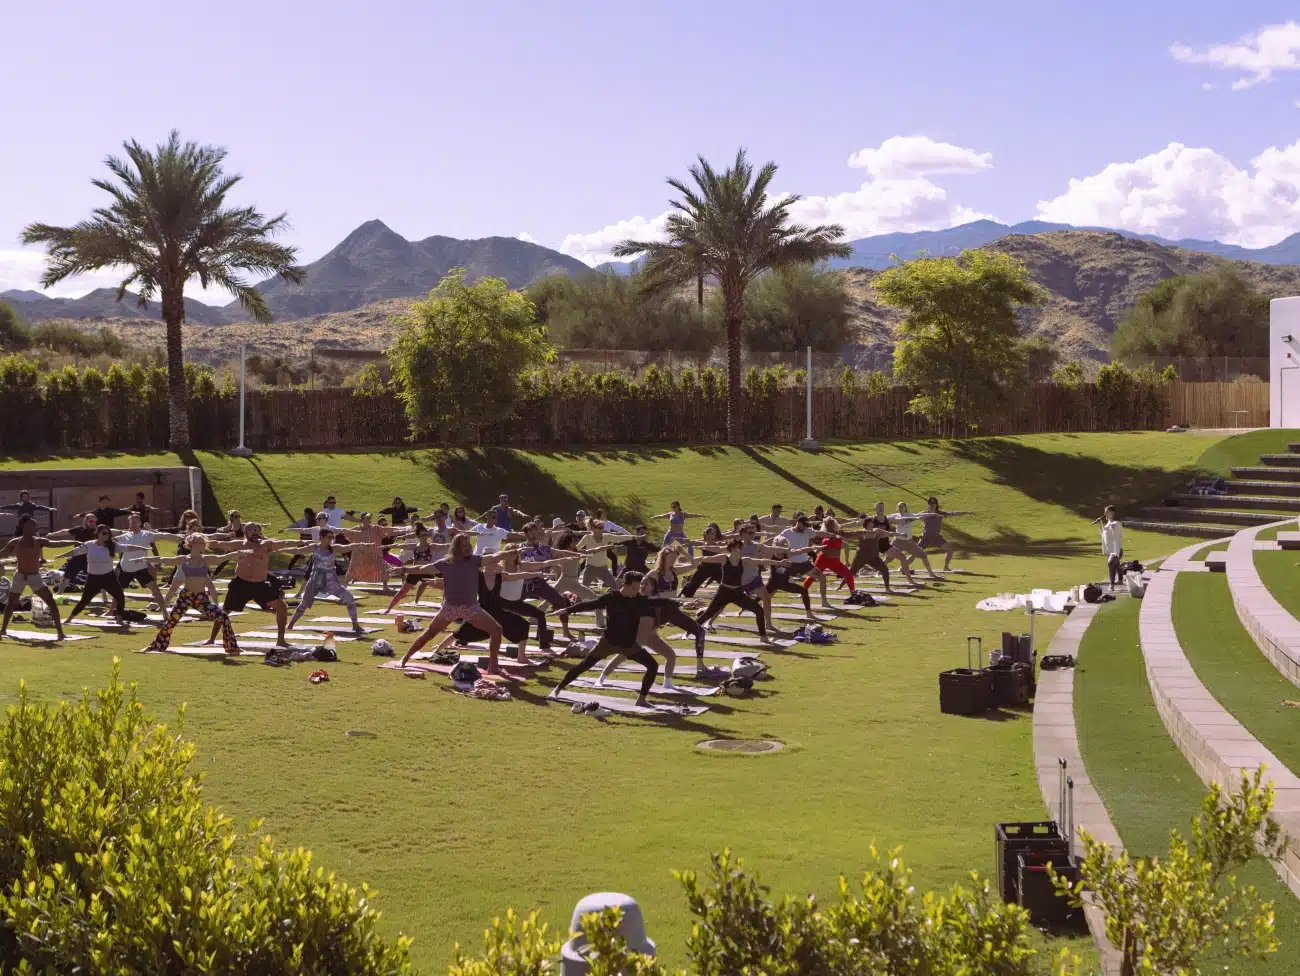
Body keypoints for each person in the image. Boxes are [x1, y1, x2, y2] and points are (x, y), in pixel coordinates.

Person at [550, 571, 681, 708]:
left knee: (652, 666)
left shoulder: (639, 599)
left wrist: (677, 603)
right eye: (634, 588)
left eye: (638, 589)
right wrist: (567, 610)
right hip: (607, 643)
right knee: (584, 666)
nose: (638, 592)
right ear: (625, 585)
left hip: (629, 645)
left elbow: (659, 601)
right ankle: (558, 689)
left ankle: (641, 699)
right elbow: (589, 604)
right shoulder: (611, 597)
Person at [398, 535, 521, 675]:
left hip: (470, 608)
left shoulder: (475, 560)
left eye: (469, 544)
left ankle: (493, 667)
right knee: (429, 634)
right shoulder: (445, 563)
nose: (468, 547)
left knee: (496, 630)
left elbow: (494, 557)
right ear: (456, 549)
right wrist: (403, 569)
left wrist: (509, 553)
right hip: (449, 608)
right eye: (464, 545)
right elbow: (422, 569)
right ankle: (405, 659)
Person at [208, 523, 308, 646]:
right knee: (224, 612)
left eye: (256, 530)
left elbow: (285, 543)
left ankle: (281, 640)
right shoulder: (239, 544)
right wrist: (202, 539)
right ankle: (211, 639)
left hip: (260, 584)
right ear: (245, 533)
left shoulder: (265, 545)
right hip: (240, 584)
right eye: (251, 530)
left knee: (281, 606)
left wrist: (302, 542)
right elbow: (217, 544)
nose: (254, 532)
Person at [144, 534, 245, 654]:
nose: (202, 544)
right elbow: (163, 559)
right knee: (171, 622)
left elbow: (222, 557)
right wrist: (144, 559)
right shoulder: (184, 559)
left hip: (201, 598)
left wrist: (239, 553)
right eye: (199, 541)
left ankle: (232, 647)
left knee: (223, 617)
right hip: (185, 596)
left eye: (203, 542)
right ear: (192, 544)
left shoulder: (205, 559)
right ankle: (155, 646)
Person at [695, 538, 787, 643]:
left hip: (737, 593)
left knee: (759, 610)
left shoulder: (744, 560)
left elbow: (762, 561)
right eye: (740, 548)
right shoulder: (724, 558)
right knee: (707, 614)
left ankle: (763, 637)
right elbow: (704, 558)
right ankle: (689, 630)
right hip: (723, 592)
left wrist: (779, 562)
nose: (742, 550)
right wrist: (689, 558)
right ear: (733, 548)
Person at [61, 525, 152, 627]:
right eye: (104, 533)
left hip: (109, 577)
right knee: (84, 600)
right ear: (98, 534)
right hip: (93, 578)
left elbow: (128, 547)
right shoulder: (89, 545)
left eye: (108, 533)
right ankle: (69, 619)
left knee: (120, 597)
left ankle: (119, 619)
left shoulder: (112, 546)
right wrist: (61, 555)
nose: (107, 536)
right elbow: (75, 551)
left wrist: (142, 548)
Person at [0, 516, 67, 640]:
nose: (35, 528)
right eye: (33, 525)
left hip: (35, 577)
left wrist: (73, 542)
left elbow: (55, 544)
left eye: (36, 526)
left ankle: (60, 632)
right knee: (11, 604)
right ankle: (3, 629)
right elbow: (4, 552)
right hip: (19, 576)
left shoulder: (39, 541)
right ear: (25, 527)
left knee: (51, 602)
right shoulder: (15, 542)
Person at [287, 529, 366, 634]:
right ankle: (291, 624)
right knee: (304, 604)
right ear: (321, 538)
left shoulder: (334, 548)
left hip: (331, 581)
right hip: (315, 581)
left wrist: (359, 545)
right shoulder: (315, 547)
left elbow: (347, 547)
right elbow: (297, 551)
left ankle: (355, 625)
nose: (331, 539)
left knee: (349, 598)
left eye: (332, 537)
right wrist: (279, 549)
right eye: (329, 537)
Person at [115, 512, 181, 610]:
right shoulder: (125, 536)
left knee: (155, 590)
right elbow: (110, 540)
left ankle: (164, 612)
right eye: (131, 522)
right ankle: (111, 611)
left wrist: (179, 537)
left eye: (135, 522)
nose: (133, 524)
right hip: (126, 568)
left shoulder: (146, 535)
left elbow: (163, 535)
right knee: (118, 591)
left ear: (140, 523)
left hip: (141, 568)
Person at [343, 512, 413, 593]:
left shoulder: (376, 528)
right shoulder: (355, 529)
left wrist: (404, 529)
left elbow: (388, 530)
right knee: (351, 570)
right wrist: (355, 545)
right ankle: (344, 586)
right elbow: (347, 537)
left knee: (384, 567)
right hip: (359, 556)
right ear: (362, 520)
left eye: (370, 518)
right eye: (368, 518)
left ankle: (385, 587)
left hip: (374, 555)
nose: (370, 520)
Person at [801, 517, 857, 604]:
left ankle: (853, 594)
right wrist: (812, 551)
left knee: (848, 575)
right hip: (822, 560)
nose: (830, 524)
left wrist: (846, 559)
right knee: (812, 577)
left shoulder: (839, 532)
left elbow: (846, 543)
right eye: (827, 523)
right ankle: (803, 592)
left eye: (831, 522)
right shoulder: (822, 534)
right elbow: (812, 542)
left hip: (835, 562)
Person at [917, 496, 970, 572]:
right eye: (930, 503)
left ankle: (946, 567)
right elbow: (915, 516)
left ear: (936, 504)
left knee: (950, 549)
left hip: (936, 537)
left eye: (934, 503)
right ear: (928, 504)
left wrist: (966, 513)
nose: (932, 504)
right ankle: (904, 567)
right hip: (926, 537)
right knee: (915, 553)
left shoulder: (940, 513)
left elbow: (953, 514)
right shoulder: (925, 513)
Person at [888, 502, 941, 580]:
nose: (900, 508)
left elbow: (921, 516)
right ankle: (878, 571)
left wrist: (933, 514)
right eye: (899, 507)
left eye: (902, 507)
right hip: (898, 541)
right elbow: (883, 517)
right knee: (888, 558)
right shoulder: (895, 515)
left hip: (909, 542)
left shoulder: (910, 515)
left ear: (905, 508)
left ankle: (931, 574)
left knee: (923, 555)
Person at [577, 519, 627, 590]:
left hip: (603, 569)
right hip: (590, 568)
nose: (602, 530)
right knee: (583, 590)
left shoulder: (605, 536)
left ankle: (604, 599)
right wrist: (582, 552)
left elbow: (620, 538)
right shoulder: (587, 538)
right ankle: (577, 601)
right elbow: (576, 549)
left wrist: (633, 537)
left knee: (614, 586)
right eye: (600, 528)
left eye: (603, 527)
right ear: (593, 528)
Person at [679, 523, 726, 597]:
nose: (714, 535)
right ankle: (684, 591)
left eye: (714, 533)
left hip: (716, 569)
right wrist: (687, 543)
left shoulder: (718, 544)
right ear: (707, 535)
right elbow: (694, 542)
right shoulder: (703, 543)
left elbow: (726, 545)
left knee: (727, 584)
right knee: (690, 589)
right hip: (704, 568)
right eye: (712, 533)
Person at [1094, 506, 1124, 590]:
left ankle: (1112, 584)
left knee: (1111, 563)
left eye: (1106, 512)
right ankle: (1121, 580)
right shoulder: (1108, 523)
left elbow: (1117, 535)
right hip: (1110, 549)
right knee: (1116, 565)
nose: (1104, 514)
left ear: (1112, 513)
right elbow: (1103, 535)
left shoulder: (1117, 523)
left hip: (1116, 550)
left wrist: (1112, 529)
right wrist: (1100, 524)